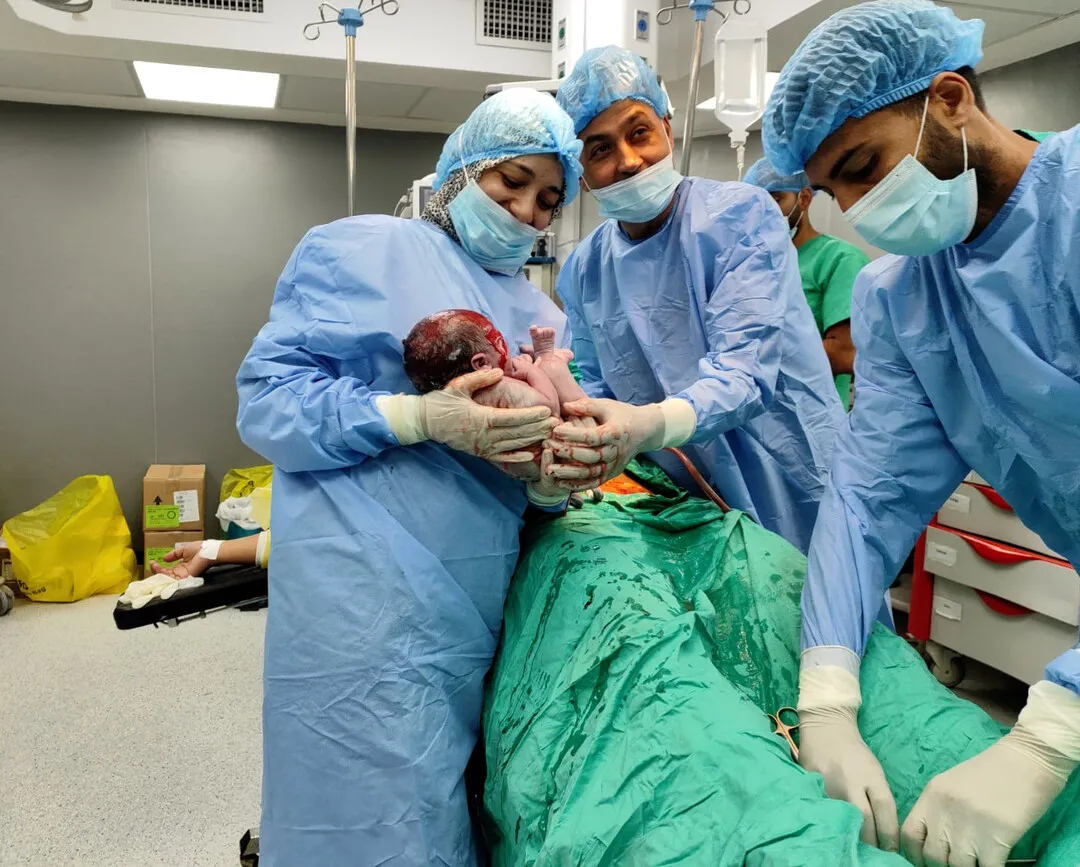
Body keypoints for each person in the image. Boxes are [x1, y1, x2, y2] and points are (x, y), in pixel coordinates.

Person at [235, 89, 597, 867]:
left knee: (442, 805)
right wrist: (414, 417)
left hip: (471, 599)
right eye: (512, 181)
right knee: (361, 811)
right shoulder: (360, 249)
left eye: (548, 200)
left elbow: (543, 460)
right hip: (357, 590)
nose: (527, 211)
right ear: (461, 170)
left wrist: (549, 478)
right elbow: (268, 404)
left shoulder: (537, 312)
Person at [762, 2, 1080, 864]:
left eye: (863, 167)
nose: (855, 209)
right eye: (832, 191)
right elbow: (870, 497)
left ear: (949, 100)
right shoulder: (902, 298)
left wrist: (1051, 731)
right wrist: (828, 692)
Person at [546, 45, 844, 555]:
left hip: (789, 475)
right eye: (600, 150)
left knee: (807, 595)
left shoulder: (741, 218)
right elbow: (592, 384)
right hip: (682, 501)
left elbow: (744, 376)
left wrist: (645, 424)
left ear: (667, 128)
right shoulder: (584, 269)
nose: (628, 161)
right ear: (581, 174)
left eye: (639, 132)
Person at [744, 158, 869, 410]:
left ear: (804, 198)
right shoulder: (753, 264)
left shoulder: (839, 259)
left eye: (776, 200)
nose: (766, 212)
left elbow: (843, 353)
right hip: (755, 409)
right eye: (757, 204)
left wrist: (750, 359)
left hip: (811, 414)